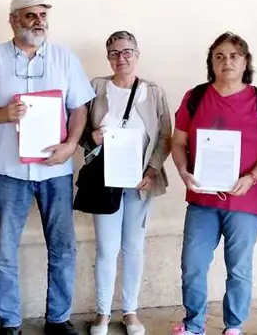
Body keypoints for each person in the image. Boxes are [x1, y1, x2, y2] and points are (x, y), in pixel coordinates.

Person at [0, 0, 95, 335]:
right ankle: (10, 323)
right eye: (29, 15)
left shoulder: (65, 58)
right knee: (4, 250)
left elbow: (79, 107)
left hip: (56, 170)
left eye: (42, 15)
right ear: (12, 20)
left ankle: (58, 320)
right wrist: (2, 114)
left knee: (63, 248)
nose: (38, 20)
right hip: (9, 171)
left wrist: (70, 146)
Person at [169, 32, 257, 335]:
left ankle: (234, 327)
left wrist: (252, 177)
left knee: (239, 269)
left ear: (245, 62)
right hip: (202, 200)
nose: (226, 61)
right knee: (192, 266)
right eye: (219, 56)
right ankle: (193, 324)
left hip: (246, 200)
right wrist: (183, 171)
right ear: (211, 62)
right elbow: (177, 142)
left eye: (234, 55)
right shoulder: (195, 97)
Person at [81, 31, 173, 335]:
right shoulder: (96, 88)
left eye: (127, 52)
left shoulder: (154, 92)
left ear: (137, 53)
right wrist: (89, 138)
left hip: (139, 183)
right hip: (104, 181)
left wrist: (152, 170)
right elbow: (77, 129)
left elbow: (164, 136)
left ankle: (131, 311)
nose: (122, 58)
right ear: (108, 57)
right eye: (115, 53)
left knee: (133, 247)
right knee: (107, 248)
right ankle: (103, 312)